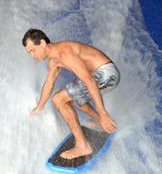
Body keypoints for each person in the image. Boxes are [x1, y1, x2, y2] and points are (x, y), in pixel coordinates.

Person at [22, 29, 120, 159]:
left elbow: (90, 81)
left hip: (107, 74)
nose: (32, 55)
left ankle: (82, 145)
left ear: (42, 43)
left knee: (59, 99)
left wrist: (104, 113)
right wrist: (39, 107)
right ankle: (99, 121)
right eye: (29, 53)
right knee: (72, 98)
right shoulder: (54, 61)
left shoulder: (64, 52)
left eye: (32, 50)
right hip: (99, 75)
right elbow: (49, 83)